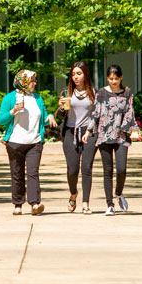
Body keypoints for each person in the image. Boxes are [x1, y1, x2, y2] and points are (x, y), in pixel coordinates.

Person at [82, 64, 140, 216]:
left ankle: (119, 193)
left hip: (121, 135)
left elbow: (130, 112)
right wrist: (89, 131)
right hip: (104, 134)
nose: (113, 81)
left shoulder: (127, 93)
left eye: (116, 78)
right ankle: (110, 204)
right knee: (107, 171)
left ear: (121, 77)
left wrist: (132, 130)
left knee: (122, 169)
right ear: (107, 78)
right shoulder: (101, 93)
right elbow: (96, 113)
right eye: (110, 79)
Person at [0, 69, 58, 216]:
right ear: (22, 81)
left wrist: (50, 116)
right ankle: (18, 204)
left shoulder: (37, 98)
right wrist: (13, 111)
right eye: (31, 81)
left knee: (33, 173)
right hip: (15, 142)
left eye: (34, 80)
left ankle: (35, 204)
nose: (34, 83)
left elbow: (43, 115)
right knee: (17, 174)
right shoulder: (10, 98)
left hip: (35, 142)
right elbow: (1, 120)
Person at [56, 62, 98, 215]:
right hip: (70, 132)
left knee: (86, 167)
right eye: (73, 74)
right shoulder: (66, 92)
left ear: (85, 74)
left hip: (89, 133)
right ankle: (73, 194)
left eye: (79, 73)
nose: (75, 77)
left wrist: (90, 130)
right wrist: (61, 109)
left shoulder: (94, 92)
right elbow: (61, 116)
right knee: (72, 170)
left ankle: (86, 203)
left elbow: (97, 115)